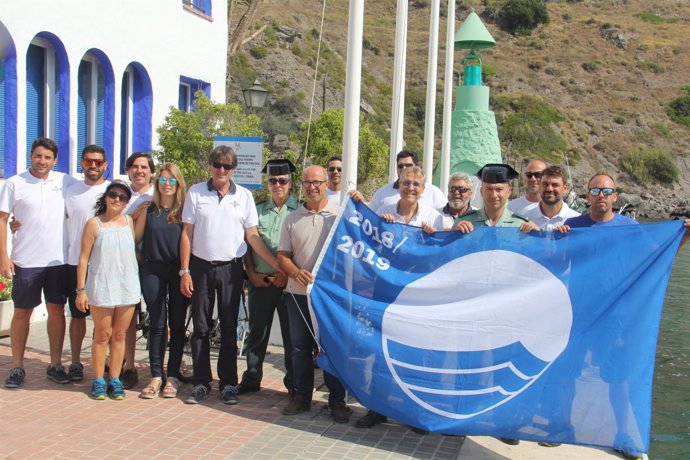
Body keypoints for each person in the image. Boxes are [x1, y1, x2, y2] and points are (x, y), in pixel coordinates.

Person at [180, 145, 282, 405]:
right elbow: (187, 234)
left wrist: (275, 264)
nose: (221, 170)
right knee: (201, 327)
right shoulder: (196, 192)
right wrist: (184, 271)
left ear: (234, 169)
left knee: (229, 327)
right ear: (210, 166)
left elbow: (253, 236)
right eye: (217, 164)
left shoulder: (245, 196)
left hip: (231, 268)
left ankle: (227, 383)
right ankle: (202, 382)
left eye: (227, 166)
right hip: (201, 267)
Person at [350, 165, 442, 431]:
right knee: (380, 352)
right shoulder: (385, 212)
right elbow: (368, 244)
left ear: (423, 190)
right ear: (399, 185)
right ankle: (376, 409)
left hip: (417, 296)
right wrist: (362, 206)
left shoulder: (434, 218)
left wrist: (432, 238)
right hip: (387, 292)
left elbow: (440, 256)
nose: (410, 188)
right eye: (406, 183)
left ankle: (414, 412)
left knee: (415, 354)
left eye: (416, 184)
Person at [0, 137, 78, 388]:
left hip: (59, 260)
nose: (42, 161)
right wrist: (3, 257)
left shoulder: (65, 181)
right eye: (38, 156)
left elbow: (92, 191)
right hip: (26, 260)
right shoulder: (14, 183)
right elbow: (3, 220)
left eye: (47, 157)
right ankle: (17, 367)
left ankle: (55, 364)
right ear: (30, 156)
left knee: (57, 310)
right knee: (22, 313)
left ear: (54, 161)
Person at [277, 165, 351, 423]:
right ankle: (301, 397)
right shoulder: (291, 218)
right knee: (299, 348)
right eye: (307, 182)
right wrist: (295, 272)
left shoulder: (339, 218)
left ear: (326, 184)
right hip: (297, 294)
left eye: (317, 182)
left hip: (328, 298)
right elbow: (283, 256)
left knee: (330, 349)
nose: (312, 187)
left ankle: (337, 401)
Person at [237, 159, 299, 395]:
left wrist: (287, 274)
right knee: (256, 334)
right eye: (273, 181)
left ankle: (294, 384)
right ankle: (252, 378)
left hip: (290, 286)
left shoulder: (300, 210)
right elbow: (248, 243)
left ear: (290, 183)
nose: (277, 185)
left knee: (291, 338)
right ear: (267, 183)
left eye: (282, 181)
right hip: (261, 282)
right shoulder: (257, 209)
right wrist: (251, 274)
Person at [76, 180, 140, 400]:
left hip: (126, 287)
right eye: (113, 195)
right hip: (101, 286)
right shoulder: (94, 224)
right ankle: (98, 380)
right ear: (105, 197)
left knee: (120, 335)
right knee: (103, 335)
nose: (117, 200)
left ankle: (115, 378)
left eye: (123, 197)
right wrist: (81, 290)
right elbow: (83, 259)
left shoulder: (129, 221)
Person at [134, 163, 188, 399]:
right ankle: (156, 375)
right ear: (157, 184)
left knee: (177, 325)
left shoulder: (186, 212)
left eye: (172, 180)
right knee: (157, 324)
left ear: (178, 184)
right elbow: (132, 238)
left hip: (178, 272)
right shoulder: (148, 209)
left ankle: (173, 376)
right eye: (163, 180)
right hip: (152, 270)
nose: (167, 184)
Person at [120, 151, 155, 389]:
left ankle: (158, 370)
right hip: (124, 264)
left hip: (154, 264)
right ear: (128, 169)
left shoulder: (159, 193)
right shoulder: (119, 195)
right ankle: (128, 365)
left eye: (144, 167)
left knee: (158, 317)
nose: (139, 170)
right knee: (127, 317)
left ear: (151, 171)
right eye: (135, 166)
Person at [454, 164, 539, 234]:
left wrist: (536, 235)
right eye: (489, 189)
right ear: (481, 192)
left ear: (508, 192)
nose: (494, 195)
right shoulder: (464, 222)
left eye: (499, 189)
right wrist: (452, 234)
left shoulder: (521, 225)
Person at [369, 150, 445, 212]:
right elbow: (370, 218)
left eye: (408, 165)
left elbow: (445, 222)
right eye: (400, 166)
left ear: (417, 167)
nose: (404, 169)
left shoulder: (434, 193)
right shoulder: (382, 193)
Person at [522, 165, 580, 231]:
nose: (549, 189)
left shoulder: (577, 220)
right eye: (545, 184)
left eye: (555, 185)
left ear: (565, 188)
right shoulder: (524, 217)